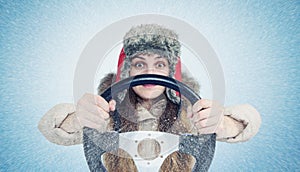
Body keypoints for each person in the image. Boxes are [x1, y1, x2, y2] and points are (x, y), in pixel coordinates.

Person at [38, 24, 261, 171]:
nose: (149, 72)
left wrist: (222, 124)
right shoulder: (107, 110)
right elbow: (52, 128)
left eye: (160, 64)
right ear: (127, 71)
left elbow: (249, 121)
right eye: (139, 64)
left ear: (171, 72)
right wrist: (79, 118)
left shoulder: (191, 110)